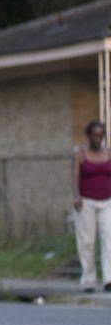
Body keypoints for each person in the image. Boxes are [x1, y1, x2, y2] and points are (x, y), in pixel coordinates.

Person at [72, 119, 111, 293]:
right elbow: (74, 178)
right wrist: (76, 196)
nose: (98, 139)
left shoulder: (109, 153)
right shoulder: (80, 154)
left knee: (109, 238)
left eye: (101, 135)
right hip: (86, 202)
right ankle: (88, 280)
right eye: (95, 135)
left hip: (107, 201)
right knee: (87, 241)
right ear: (88, 136)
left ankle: (109, 279)